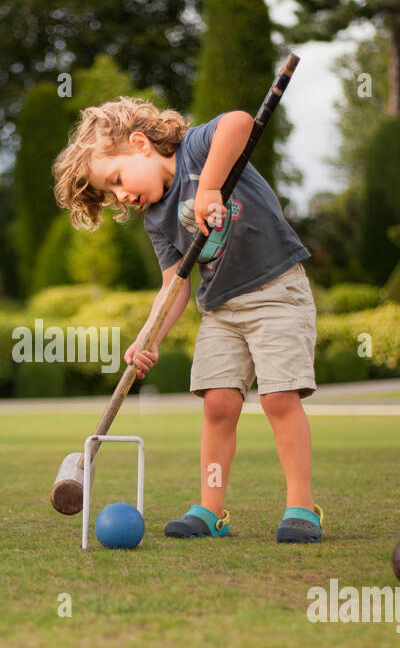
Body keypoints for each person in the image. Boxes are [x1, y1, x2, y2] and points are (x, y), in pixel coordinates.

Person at [51, 96, 323, 542]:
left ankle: (301, 506)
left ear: (140, 144)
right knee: (217, 403)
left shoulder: (196, 151)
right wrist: (148, 338)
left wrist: (211, 188)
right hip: (220, 309)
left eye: (117, 179)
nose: (121, 195)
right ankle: (211, 510)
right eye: (111, 193)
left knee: (278, 398)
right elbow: (173, 284)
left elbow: (237, 123)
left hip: (276, 290)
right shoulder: (157, 218)